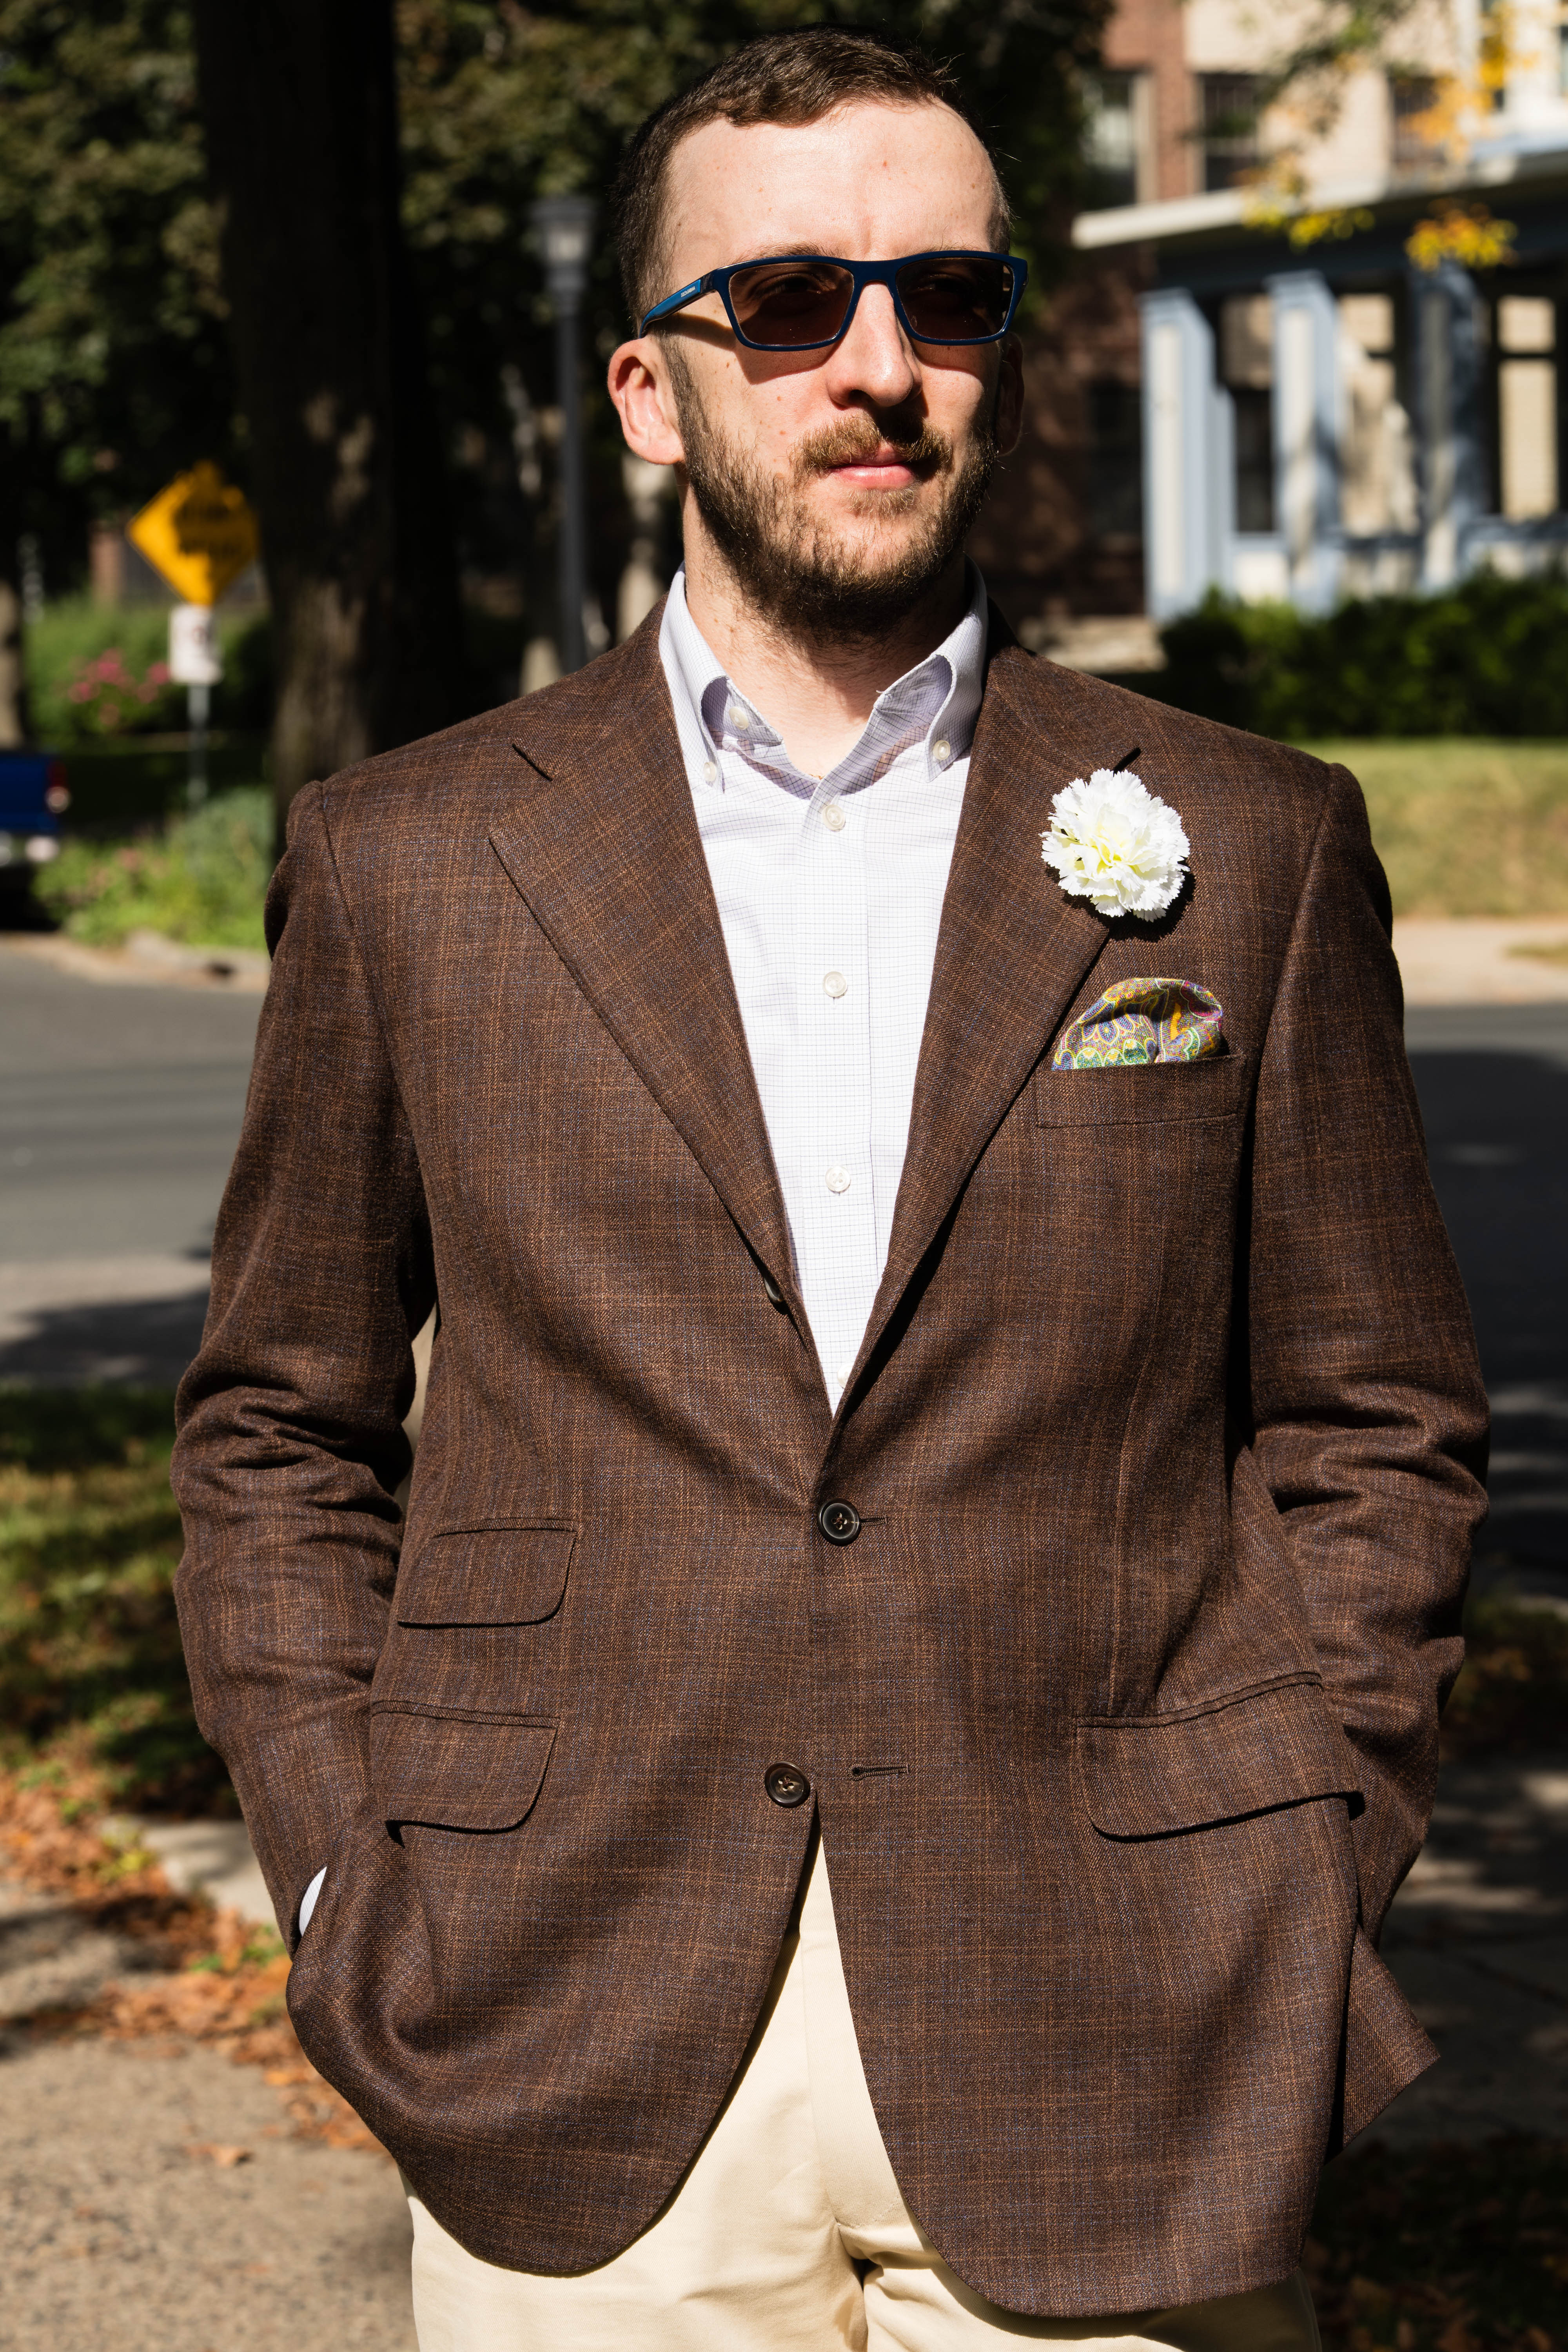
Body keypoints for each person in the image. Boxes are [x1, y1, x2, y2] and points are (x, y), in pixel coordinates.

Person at [171, 28, 1488, 2352]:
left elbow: (1379, 1419)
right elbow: (280, 1429)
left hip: (1132, 2017)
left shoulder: (1249, 842)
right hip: (569, 2015)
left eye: (947, 300)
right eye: (787, 301)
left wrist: (1318, 1862)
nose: (879, 368)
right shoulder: (410, 863)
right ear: (650, 391)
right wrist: (336, 1882)